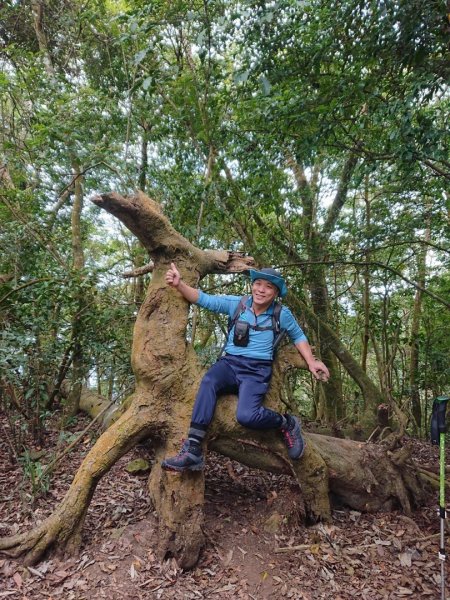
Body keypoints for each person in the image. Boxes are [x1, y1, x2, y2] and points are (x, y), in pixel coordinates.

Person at [161, 263, 330, 472]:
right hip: (230, 363)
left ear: (276, 292)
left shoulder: (281, 314)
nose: (261, 289)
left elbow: (298, 336)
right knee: (208, 382)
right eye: (257, 283)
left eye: (268, 286)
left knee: (247, 416)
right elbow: (203, 299)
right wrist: (179, 285)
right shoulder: (238, 304)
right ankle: (193, 450)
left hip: (257, 371)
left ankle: (286, 423)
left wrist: (312, 361)